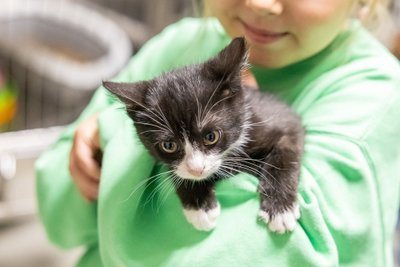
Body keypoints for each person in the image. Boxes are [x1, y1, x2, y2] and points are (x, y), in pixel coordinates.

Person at [36, 0, 400, 266]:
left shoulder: (375, 95)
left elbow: (252, 253)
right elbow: (55, 213)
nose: (260, 4)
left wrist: (112, 141)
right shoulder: (181, 41)